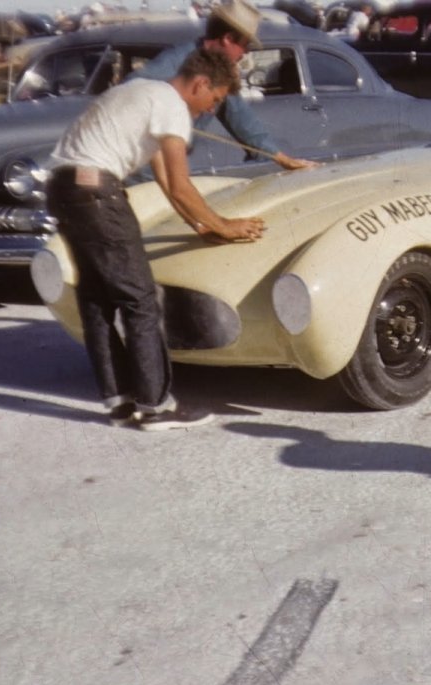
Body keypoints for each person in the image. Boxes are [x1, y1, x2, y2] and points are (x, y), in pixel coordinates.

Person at [46, 48, 266, 431]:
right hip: (98, 192)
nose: (211, 111)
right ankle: (156, 406)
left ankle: (118, 400)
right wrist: (225, 226)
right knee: (141, 300)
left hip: (63, 187)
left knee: (97, 299)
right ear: (200, 83)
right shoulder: (173, 107)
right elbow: (181, 185)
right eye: (214, 99)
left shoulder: (143, 91)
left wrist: (202, 225)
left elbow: (165, 180)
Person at [128, 0, 316, 172]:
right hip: (139, 169)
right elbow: (130, 90)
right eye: (245, 45)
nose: (245, 53)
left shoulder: (221, 73)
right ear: (228, 38)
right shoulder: (175, 62)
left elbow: (244, 121)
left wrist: (283, 159)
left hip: (167, 170)